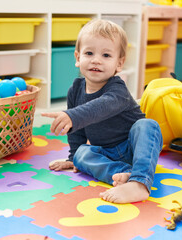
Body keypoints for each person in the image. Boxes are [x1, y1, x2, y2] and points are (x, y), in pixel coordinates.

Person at [42, 19, 163, 204]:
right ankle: (124, 175)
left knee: (148, 125)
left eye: (106, 55)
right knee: (82, 154)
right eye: (89, 53)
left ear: (119, 64)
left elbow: (102, 106)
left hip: (134, 148)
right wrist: (73, 157)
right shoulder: (75, 90)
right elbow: (78, 130)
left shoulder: (118, 89)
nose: (96, 60)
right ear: (77, 58)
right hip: (106, 153)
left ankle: (140, 183)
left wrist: (73, 115)